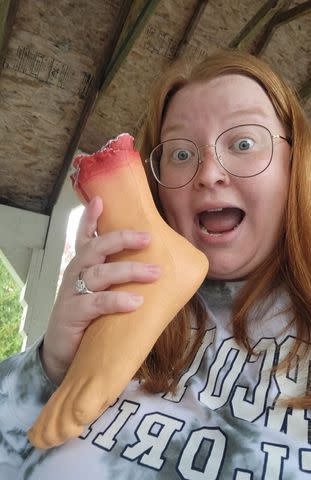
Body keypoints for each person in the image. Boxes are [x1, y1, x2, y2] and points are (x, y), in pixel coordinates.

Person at [0, 49, 311, 479]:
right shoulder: (114, 305)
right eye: (181, 153)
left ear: (296, 165)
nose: (209, 174)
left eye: (243, 143)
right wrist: (48, 366)